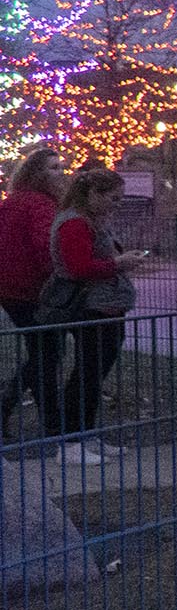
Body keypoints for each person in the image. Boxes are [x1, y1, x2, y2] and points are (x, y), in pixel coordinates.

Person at [39, 169, 143, 465]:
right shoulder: (74, 224)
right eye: (113, 198)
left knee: (94, 373)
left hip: (107, 304)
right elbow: (78, 267)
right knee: (87, 373)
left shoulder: (91, 222)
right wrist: (119, 264)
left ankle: (84, 434)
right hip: (91, 305)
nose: (117, 204)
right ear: (93, 194)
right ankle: (70, 442)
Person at [0, 144, 68, 435]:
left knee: (44, 353)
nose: (61, 173)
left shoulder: (12, 201)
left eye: (61, 167)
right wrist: (59, 278)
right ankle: (9, 403)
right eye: (54, 168)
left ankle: (52, 419)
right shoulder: (41, 205)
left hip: (10, 288)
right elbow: (46, 248)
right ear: (37, 173)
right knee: (48, 354)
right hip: (33, 290)